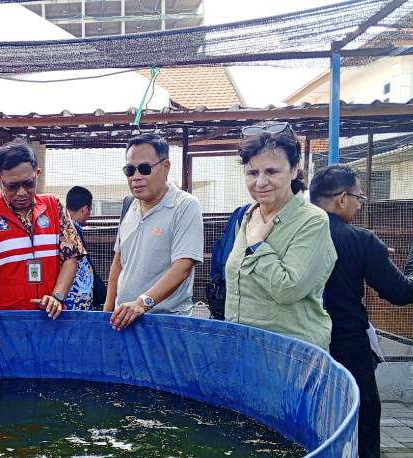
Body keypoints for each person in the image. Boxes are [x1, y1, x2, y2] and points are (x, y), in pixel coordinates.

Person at [310, 165, 413, 458]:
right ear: (342, 199)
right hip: (348, 346)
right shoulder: (359, 240)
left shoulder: (288, 233)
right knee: (362, 418)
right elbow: (400, 292)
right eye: (359, 198)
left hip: (301, 344)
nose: (359, 204)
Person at [0, 141, 85, 354]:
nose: (22, 192)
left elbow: (71, 256)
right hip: (6, 329)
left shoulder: (54, 207)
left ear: (37, 174)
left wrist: (57, 297)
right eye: (12, 186)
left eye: (29, 183)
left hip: (50, 322)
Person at [225, 122, 336, 350]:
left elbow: (288, 289)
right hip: (244, 347)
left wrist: (257, 245)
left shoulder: (312, 220)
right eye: (253, 172)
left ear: (294, 169)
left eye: (272, 171)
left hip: (292, 353)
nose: (261, 182)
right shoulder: (248, 215)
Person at [104, 133, 204, 331]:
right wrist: (107, 311)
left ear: (165, 167)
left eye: (144, 169)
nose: (136, 177)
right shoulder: (129, 206)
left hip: (164, 324)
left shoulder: (184, 206)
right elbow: (119, 261)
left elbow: (183, 266)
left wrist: (142, 303)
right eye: (130, 170)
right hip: (122, 321)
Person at [65, 186, 105, 310]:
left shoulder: (61, 225)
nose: (89, 215)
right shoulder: (72, 228)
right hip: (76, 299)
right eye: (89, 210)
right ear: (85, 209)